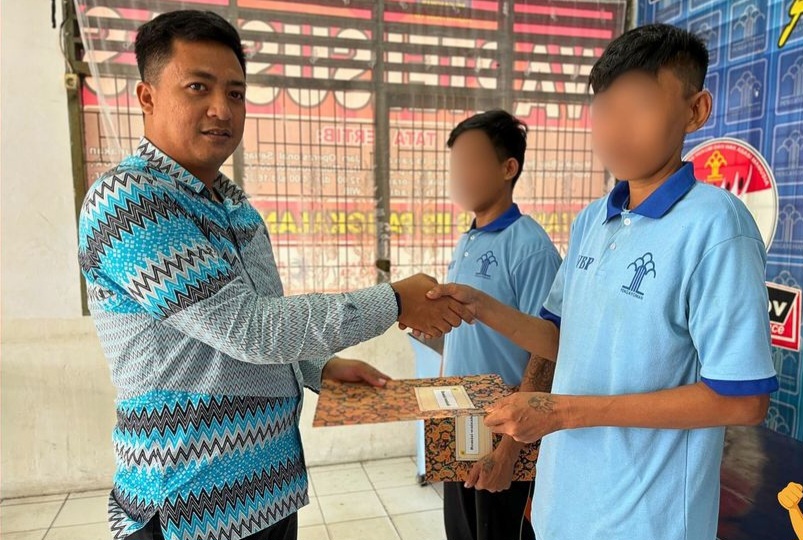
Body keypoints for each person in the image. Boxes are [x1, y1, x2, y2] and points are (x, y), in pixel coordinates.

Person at [77, 10, 468, 540]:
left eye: (236, 93)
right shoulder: (129, 201)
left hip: (269, 491)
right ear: (147, 97)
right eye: (198, 87)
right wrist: (395, 301)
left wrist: (318, 367)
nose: (222, 109)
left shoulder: (236, 208)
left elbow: (243, 331)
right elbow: (248, 329)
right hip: (190, 506)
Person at [426, 23, 779, 539]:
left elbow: (742, 400)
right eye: (605, 109)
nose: (616, 128)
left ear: (695, 110)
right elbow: (560, 339)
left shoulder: (716, 226)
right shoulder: (593, 220)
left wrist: (562, 411)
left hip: (644, 522)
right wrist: (479, 305)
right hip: (562, 510)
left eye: (640, 106)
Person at [439, 110, 560, 540]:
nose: (458, 176)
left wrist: (510, 451)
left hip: (505, 428)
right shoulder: (468, 239)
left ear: (508, 168)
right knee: (462, 529)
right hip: (459, 420)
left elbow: (548, 352)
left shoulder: (530, 248)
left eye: (471, 162)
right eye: (455, 165)